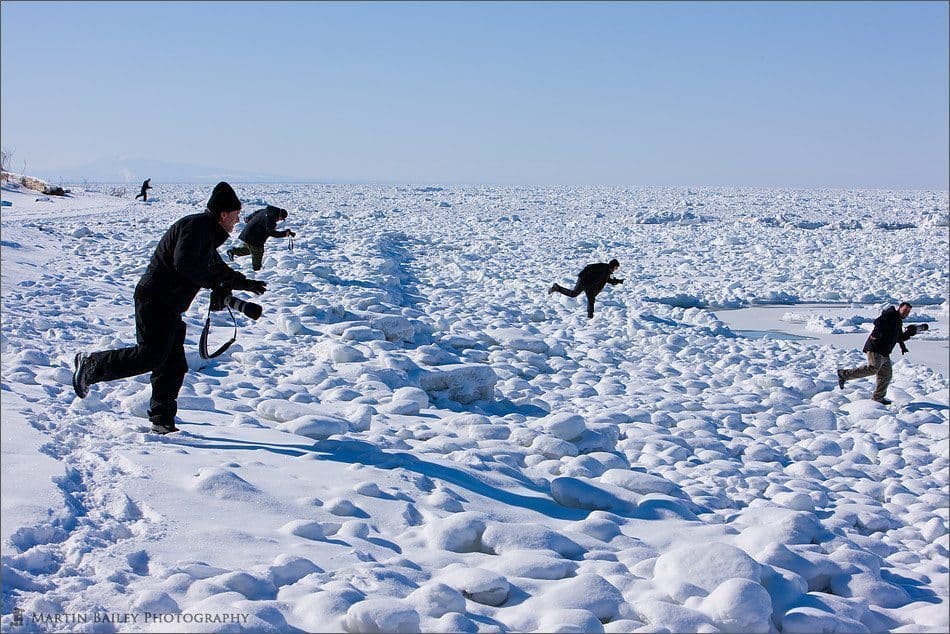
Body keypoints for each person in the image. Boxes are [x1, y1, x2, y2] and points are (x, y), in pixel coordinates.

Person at [71, 181, 267, 434]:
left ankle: (162, 420)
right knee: (150, 356)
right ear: (223, 214)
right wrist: (213, 282)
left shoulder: (206, 234)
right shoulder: (196, 227)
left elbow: (215, 267)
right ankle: (91, 366)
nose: (237, 220)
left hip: (170, 305)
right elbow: (184, 264)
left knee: (173, 366)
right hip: (155, 299)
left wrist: (244, 283)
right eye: (236, 215)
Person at [837, 301, 927, 404]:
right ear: (900, 308)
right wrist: (876, 333)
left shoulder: (897, 321)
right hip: (875, 347)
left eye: (908, 312)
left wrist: (909, 335)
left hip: (884, 351)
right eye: (905, 310)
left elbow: (898, 337)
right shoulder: (890, 315)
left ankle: (878, 398)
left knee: (886, 375)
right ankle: (843, 374)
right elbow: (878, 322)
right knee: (873, 368)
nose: (906, 313)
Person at [548, 258, 624, 319]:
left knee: (582, 296)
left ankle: (590, 316)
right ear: (612, 265)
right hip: (584, 281)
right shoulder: (603, 267)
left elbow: (607, 280)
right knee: (581, 296)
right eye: (616, 267)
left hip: (588, 284)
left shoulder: (607, 272)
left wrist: (618, 281)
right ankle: (590, 317)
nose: (616, 269)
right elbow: (588, 267)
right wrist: (583, 277)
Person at [226, 205, 295, 271]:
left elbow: (248, 218)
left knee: (247, 249)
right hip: (255, 238)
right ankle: (257, 273)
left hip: (247, 234)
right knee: (258, 253)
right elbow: (270, 232)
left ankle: (233, 251)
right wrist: (284, 234)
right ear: (279, 215)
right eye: (281, 219)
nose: (279, 220)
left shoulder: (264, 211)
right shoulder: (271, 218)